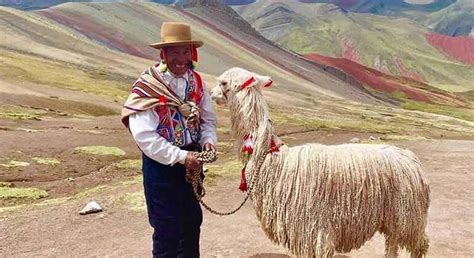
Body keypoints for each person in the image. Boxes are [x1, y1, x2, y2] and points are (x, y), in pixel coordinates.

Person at [121, 22, 217, 257]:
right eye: (174, 51)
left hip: (193, 165)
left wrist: (208, 142)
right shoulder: (148, 87)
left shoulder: (197, 82)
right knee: (167, 229)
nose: (181, 58)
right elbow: (144, 137)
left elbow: (208, 120)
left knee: (192, 224)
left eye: (185, 51)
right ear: (163, 54)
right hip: (162, 169)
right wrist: (182, 156)